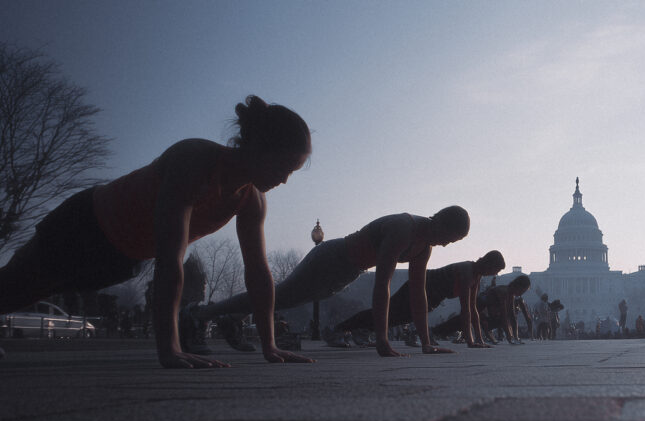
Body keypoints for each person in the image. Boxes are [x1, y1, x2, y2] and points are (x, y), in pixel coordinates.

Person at [0, 95, 313, 368]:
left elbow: (258, 273)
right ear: (257, 146)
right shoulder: (194, 159)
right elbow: (170, 257)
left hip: (121, 257)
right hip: (83, 224)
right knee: (15, 283)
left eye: (292, 172)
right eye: (281, 166)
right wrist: (169, 349)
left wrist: (269, 345)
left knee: (33, 292)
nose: (284, 180)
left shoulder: (252, 201)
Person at [185, 206, 471, 357]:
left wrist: (425, 343)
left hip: (347, 271)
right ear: (440, 223)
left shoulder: (426, 246)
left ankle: (231, 316)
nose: (447, 245)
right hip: (331, 257)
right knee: (278, 294)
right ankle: (201, 314)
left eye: (453, 243)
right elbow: (382, 284)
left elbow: (417, 294)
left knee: (281, 299)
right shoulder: (404, 228)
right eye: (450, 238)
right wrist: (382, 340)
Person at [333, 250, 505, 348]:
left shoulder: (477, 276)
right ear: (487, 264)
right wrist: (471, 341)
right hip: (419, 286)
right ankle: (340, 329)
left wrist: (479, 340)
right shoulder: (468, 271)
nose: (494, 275)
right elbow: (466, 309)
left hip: (432, 295)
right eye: (495, 270)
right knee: (389, 312)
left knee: (397, 317)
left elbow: (473, 308)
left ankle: (361, 330)